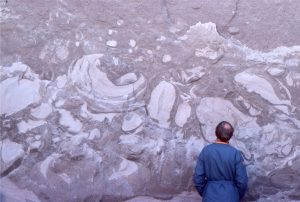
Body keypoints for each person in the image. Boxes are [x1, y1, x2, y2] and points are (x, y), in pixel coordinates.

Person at [193, 121, 248, 202]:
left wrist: (205, 192)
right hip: (231, 197)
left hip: (210, 196)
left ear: (216, 132)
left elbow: (198, 178)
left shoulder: (206, 151)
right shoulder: (235, 153)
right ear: (231, 135)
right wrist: (236, 194)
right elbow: (242, 181)